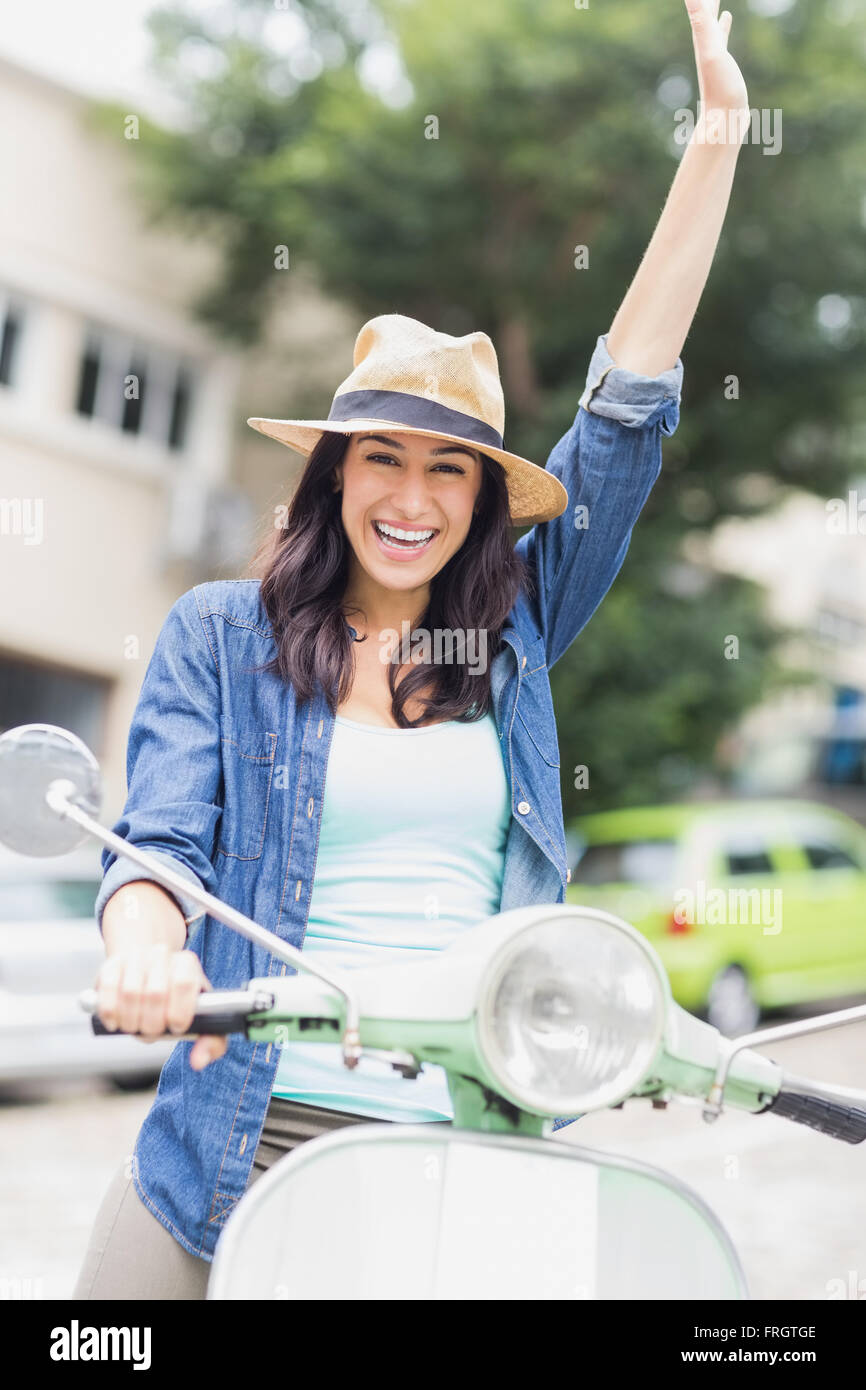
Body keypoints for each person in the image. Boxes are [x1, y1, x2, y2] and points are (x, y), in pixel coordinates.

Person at [72, 0, 749, 1302]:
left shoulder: (516, 634)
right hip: (232, 1146)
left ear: (483, 498)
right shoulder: (225, 633)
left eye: (449, 468)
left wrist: (716, 136)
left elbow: (625, 406)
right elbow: (160, 836)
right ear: (332, 474)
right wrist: (145, 945)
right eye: (380, 455)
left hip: (469, 1151)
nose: (411, 494)